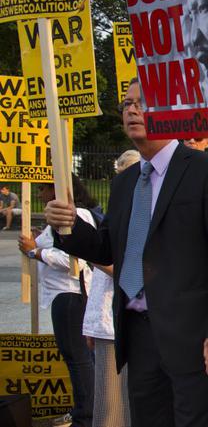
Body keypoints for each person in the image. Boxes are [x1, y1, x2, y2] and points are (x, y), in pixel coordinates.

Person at [44, 78, 208, 427]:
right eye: (126, 104)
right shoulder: (125, 181)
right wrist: (70, 225)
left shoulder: (205, 171)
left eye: (142, 103)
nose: (131, 110)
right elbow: (108, 246)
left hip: (193, 337)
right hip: (138, 334)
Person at [19, 176, 96, 427]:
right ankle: (84, 412)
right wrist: (41, 240)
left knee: (78, 359)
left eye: (43, 188)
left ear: (56, 191)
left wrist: (35, 251)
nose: (40, 195)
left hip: (71, 294)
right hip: (63, 295)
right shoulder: (62, 220)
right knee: (76, 358)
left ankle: (86, 417)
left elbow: (76, 260)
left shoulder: (77, 215)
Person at [81, 153, 140, 427]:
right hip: (105, 319)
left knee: (113, 405)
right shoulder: (119, 211)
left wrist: (94, 255)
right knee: (110, 400)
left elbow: (126, 270)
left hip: (120, 321)